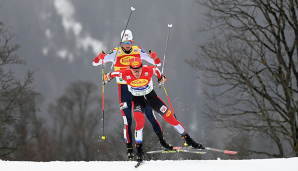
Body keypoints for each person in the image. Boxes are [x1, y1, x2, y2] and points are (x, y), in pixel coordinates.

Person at [104, 57, 205, 162]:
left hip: (152, 99)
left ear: (142, 67)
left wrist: (161, 78)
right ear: (130, 69)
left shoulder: (148, 69)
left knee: (171, 119)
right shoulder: (124, 73)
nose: (137, 73)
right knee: (140, 123)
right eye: (134, 71)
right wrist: (107, 77)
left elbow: (157, 70)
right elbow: (112, 74)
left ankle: (188, 140)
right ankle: (139, 151)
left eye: (138, 70)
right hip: (138, 101)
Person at [92, 30, 172, 161]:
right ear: (121, 42)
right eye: (125, 42)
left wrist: (154, 56)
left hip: (139, 89)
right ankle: (130, 150)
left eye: (129, 42)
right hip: (124, 89)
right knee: (127, 120)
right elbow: (95, 63)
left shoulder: (138, 51)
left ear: (132, 42)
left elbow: (156, 63)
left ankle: (162, 142)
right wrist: (100, 57)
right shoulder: (115, 52)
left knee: (150, 115)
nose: (127, 45)